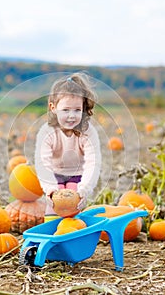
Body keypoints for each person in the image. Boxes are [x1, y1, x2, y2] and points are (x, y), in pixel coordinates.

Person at [34, 73, 102, 222]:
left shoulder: (88, 132)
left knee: (71, 203)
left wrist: (84, 189)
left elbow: (93, 162)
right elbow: (42, 163)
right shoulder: (47, 132)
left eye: (77, 110)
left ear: (83, 109)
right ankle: (52, 235)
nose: (72, 116)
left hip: (77, 175)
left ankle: (71, 233)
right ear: (53, 107)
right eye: (66, 110)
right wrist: (50, 188)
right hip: (54, 174)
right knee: (54, 204)